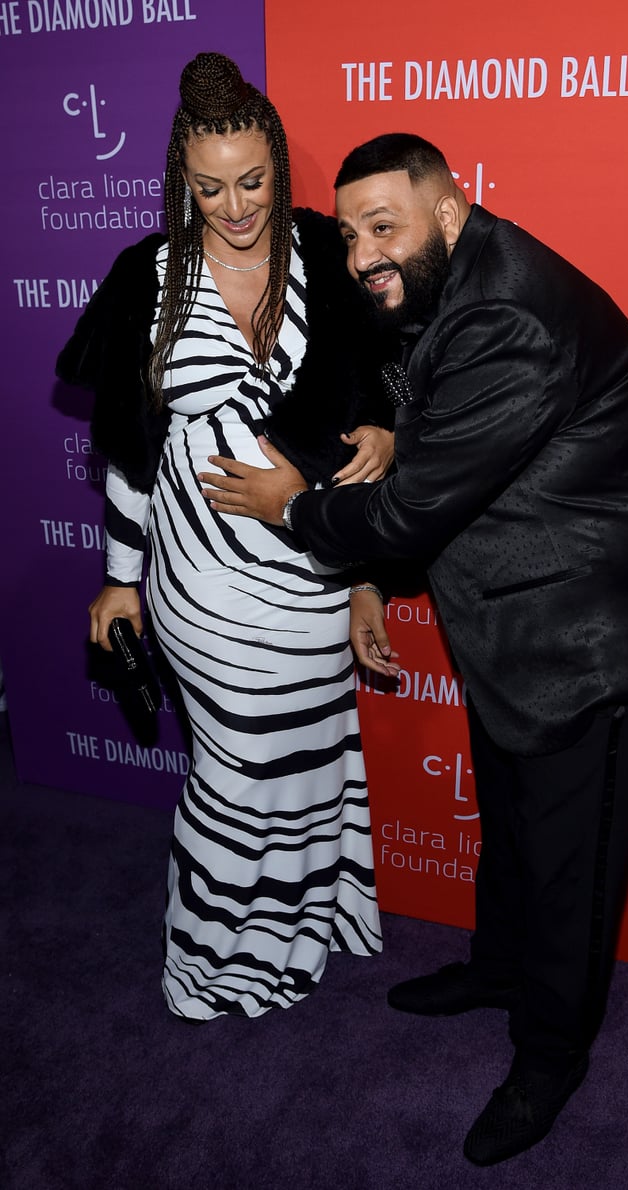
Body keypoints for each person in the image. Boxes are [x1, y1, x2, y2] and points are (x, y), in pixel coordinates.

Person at [196, 132, 628, 1164]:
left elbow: (405, 516)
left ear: (449, 206)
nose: (360, 256)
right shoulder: (453, 278)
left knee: (572, 869)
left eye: (381, 227)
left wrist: (294, 508)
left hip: (601, 642)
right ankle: (496, 967)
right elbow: (414, 411)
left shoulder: (509, 316)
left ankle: (550, 1054)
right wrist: (384, 460)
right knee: (519, 830)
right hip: (524, 621)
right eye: (347, 235)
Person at [56, 55, 398, 1022]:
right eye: (210, 187)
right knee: (239, 766)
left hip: (309, 566)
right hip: (202, 578)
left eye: (252, 181)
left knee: (310, 756)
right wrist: (122, 580)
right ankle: (213, 953)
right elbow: (128, 449)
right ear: (181, 176)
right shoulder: (148, 278)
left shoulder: (326, 253)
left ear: (278, 167)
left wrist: (386, 433)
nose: (236, 205)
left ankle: (296, 928)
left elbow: (377, 392)